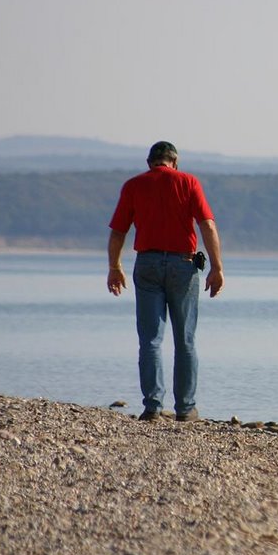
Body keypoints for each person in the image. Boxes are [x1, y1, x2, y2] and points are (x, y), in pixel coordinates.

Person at [106, 141, 224, 423]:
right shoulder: (188, 182)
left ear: (150, 163)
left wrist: (114, 267)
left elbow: (118, 232)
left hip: (146, 263)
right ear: (175, 161)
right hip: (183, 265)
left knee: (150, 340)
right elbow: (207, 225)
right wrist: (217, 268)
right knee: (185, 340)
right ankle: (185, 409)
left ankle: (153, 408)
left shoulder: (134, 185)